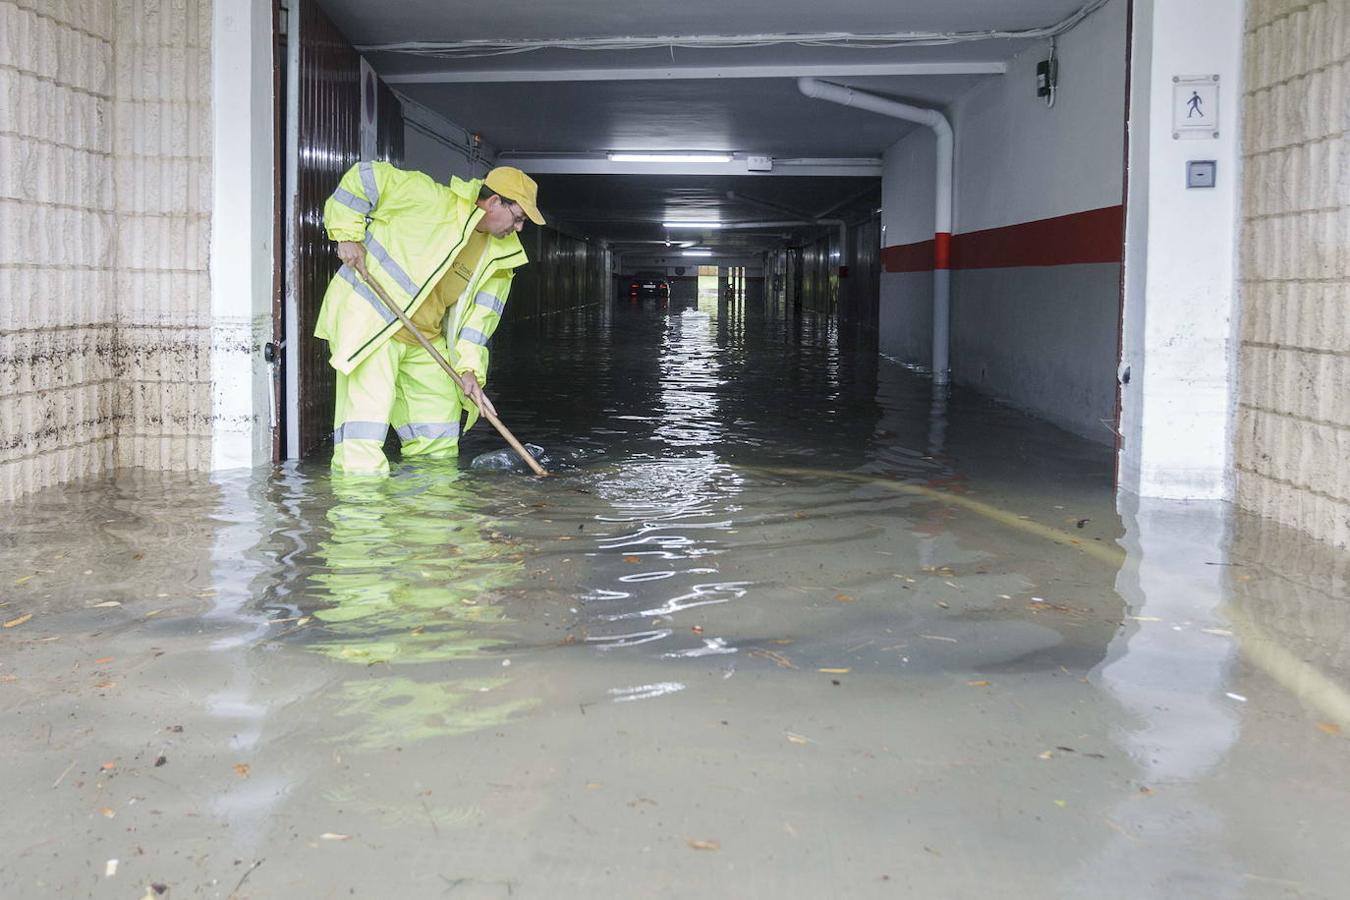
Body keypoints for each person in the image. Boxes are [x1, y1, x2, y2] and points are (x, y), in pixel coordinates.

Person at [316, 162, 544, 474]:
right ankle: (359, 516)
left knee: (438, 440)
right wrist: (346, 234)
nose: (518, 229)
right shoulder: (428, 198)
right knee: (363, 437)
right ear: (493, 202)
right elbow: (364, 176)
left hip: (426, 339)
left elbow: (478, 323)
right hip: (374, 323)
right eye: (517, 218)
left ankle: (428, 516)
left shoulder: (502, 257)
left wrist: (469, 371)